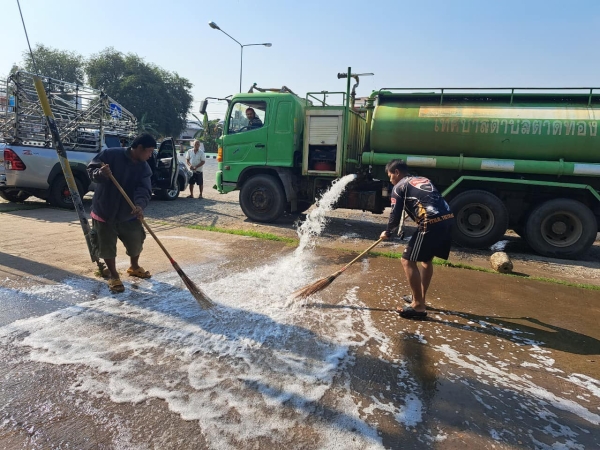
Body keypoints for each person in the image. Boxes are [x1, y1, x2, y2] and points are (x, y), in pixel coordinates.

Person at [379, 159, 454, 320]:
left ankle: (418, 306)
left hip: (430, 223)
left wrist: (387, 232)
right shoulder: (421, 179)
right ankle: (418, 298)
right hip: (448, 218)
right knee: (426, 260)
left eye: (390, 176)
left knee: (407, 260)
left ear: (397, 172)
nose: (390, 180)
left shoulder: (399, 187)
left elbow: (394, 215)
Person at [87, 133, 156, 293]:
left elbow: (144, 189)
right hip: (104, 210)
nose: (150, 155)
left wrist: (139, 205)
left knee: (136, 242)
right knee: (106, 246)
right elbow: (91, 170)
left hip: (129, 213)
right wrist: (101, 174)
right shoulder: (110, 155)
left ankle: (134, 266)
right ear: (139, 148)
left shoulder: (144, 167)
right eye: (149, 151)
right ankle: (113, 275)